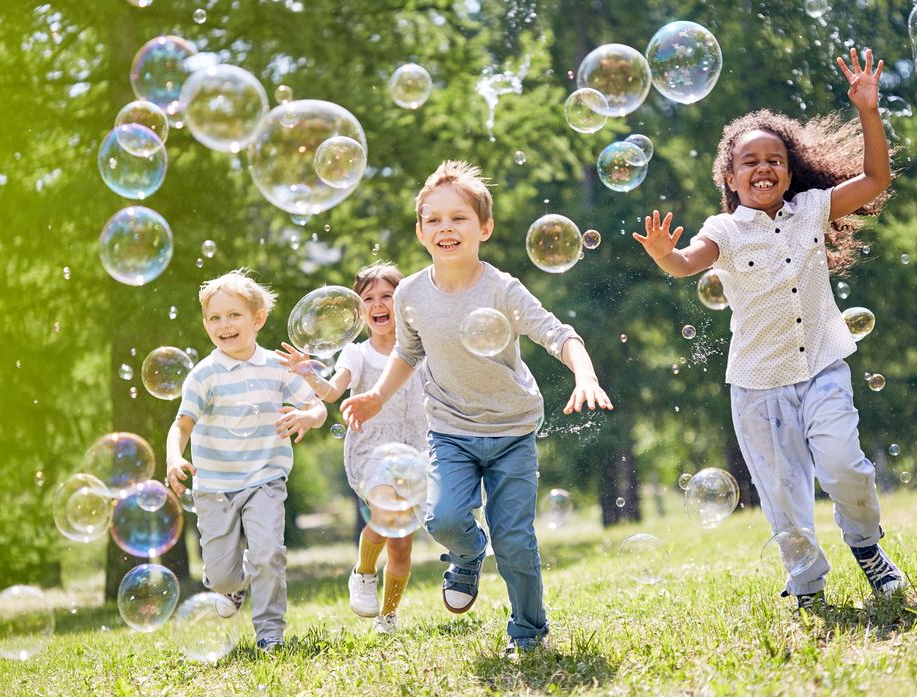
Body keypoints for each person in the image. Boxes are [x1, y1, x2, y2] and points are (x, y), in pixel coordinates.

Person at [632, 49, 906, 611]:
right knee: (783, 498)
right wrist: (665, 254)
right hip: (758, 385)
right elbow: (688, 262)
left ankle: (867, 548)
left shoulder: (812, 208)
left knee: (845, 467)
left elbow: (877, 178)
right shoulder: (724, 230)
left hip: (823, 365)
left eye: (775, 159)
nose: (763, 168)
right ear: (730, 177)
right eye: (749, 161)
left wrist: (868, 111)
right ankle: (806, 586)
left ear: (790, 168)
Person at [340, 160, 613, 657]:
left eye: (459, 218)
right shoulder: (410, 294)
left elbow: (559, 334)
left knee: (515, 542)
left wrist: (585, 374)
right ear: (421, 231)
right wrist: (377, 395)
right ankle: (466, 555)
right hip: (449, 430)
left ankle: (528, 633)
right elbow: (407, 351)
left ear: (483, 227)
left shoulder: (502, 289)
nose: (447, 227)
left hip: (511, 430)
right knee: (442, 518)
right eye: (434, 219)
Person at [166, 269, 327, 653]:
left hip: (265, 479)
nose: (224, 325)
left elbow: (317, 405)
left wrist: (308, 416)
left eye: (234, 315)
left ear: (257, 319)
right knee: (222, 576)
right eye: (214, 318)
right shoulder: (204, 375)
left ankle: (270, 633)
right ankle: (231, 588)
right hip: (215, 487)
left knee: (268, 553)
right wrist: (174, 456)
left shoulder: (277, 366)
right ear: (205, 324)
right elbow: (181, 423)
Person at [276, 262, 428, 635]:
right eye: (369, 299)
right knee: (385, 516)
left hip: (418, 451)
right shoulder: (356, 355)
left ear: (403, 302)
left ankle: (388, 615)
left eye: (387, 297)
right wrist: (309, 373)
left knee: (402, 546)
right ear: (360, 310)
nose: (378, 305)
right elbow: (331, 392)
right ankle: (363, 572)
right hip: (372, 450)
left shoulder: (423, 347)